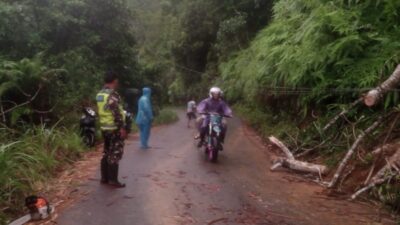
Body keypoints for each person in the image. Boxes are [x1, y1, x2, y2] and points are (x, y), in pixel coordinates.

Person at [96, 71, 127, 188]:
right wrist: (122, 127)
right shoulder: (112, 95)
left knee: (106, 152)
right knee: (115, 153)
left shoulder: (99, 94)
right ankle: (113, 180)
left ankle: (104, 178)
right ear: (114, 80)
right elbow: (116, 113)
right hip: (114, 128)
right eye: (117, 80)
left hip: (104, 128)